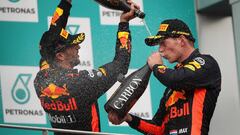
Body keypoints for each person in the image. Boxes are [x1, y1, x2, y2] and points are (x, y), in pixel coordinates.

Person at [34, 0, 139, 134]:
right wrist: (124, 23)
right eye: (72, 45)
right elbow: (121, 64)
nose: (78, 46)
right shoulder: (81, 83)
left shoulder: (41, 78)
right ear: (60, 56)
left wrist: (66, 2)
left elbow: (52, 35)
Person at [108, 19, 221, 135]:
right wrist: (129, 118)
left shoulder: (207, 63)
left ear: (181, 40)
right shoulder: (170, 89)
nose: (160, 50)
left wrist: (157, 66)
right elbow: (158, 128)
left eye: (163, 43)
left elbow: (178, 79)